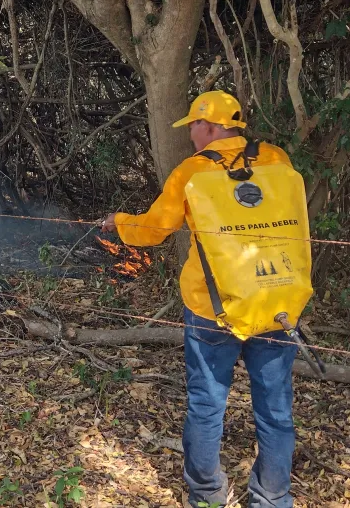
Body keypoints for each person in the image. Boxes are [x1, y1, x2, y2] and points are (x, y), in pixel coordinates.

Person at [101, 90, 299, 508]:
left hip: (214, 308)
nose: (191, 134)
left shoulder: (193, 171)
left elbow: (154, 229)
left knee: (208, 405)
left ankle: (207, 495)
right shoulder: (277, 159)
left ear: (208, 126)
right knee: (276, 410)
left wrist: (118, 223)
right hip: (275, 302)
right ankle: (273, 499)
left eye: (192, 126)